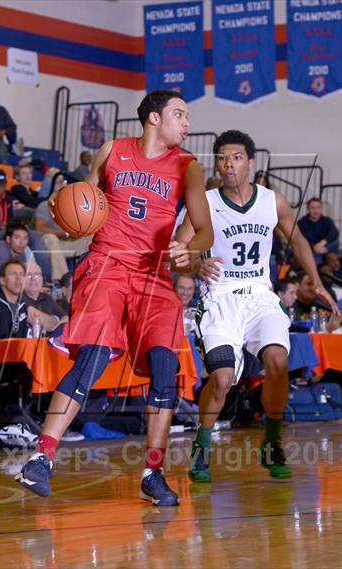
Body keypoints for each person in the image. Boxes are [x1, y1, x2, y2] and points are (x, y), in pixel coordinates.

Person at [16, 89, 213, 504]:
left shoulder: (189, 167)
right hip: (107, 264)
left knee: (165, 369)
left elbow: (205, 229)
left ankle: (152, 473)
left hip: (154, 274)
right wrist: (66, 213)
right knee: (91, 358)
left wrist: (191, 250)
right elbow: (83, 211)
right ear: (153, 118)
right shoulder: (111, 151)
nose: (187, 123)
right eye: (180, 114)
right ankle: (41, 458)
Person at [175, 130, 336, 482]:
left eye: (235, 157)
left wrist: (316, 279)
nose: (228, 164)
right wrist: (193, 263)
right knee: (221, 380)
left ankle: (272, 443)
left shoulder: (272, 201)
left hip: (261, 296)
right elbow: (177, 253)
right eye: (221, 158)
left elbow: (298, 240)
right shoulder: (204, 203)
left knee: (278, 362)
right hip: (220, 298)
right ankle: (202, 445)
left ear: (251, 162)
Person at [34, 198, 91, 281]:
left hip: (66, 244)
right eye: (59, 184)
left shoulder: (72, 205)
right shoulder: (45, 205)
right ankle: (62, 280)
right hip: (48, 244)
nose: (62, 186)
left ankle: (91, 275)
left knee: (92, 235)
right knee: (51, 237)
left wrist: (77, 233)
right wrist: (63, 234)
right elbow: (39, 229)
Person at [23, 262, 67, 332]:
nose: (33, 278)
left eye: (36, 274)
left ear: (42, 279)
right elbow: (38, 321)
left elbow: (66, 318)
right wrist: (56, 319)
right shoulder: (19, 298)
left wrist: (53, 326)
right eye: (28, 275)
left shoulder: (46, 297)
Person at [297, 198, 339, 265]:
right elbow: (302, 239)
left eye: (318, 208)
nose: (315, 211)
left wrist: (322, 243)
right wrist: (314, 247)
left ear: (321, 209)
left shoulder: (327, 220)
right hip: (310, 249)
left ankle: (320, 253)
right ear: (308, 209)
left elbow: (334, 233)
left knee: (335, 243)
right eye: (312, 208)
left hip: (325, 247)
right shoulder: (302, 223)